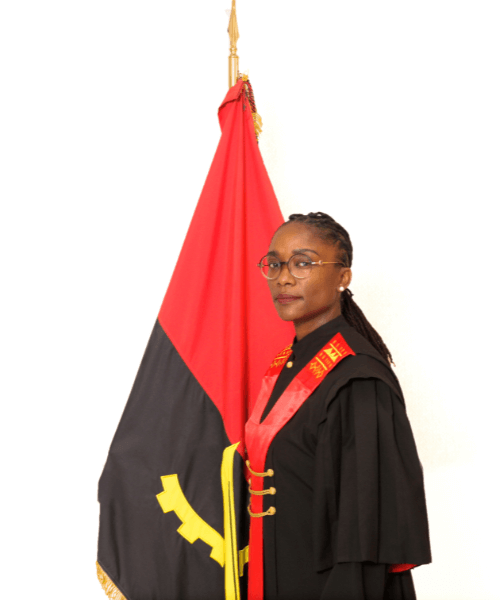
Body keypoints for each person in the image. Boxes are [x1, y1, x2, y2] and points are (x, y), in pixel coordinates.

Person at [244, 212, 432, 600]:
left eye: (303, 263)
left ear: (343, 277)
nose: (283, 278)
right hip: (275, 574)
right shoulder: (289, 365)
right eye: (275, 264)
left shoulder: (357, 379)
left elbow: (366, 526)